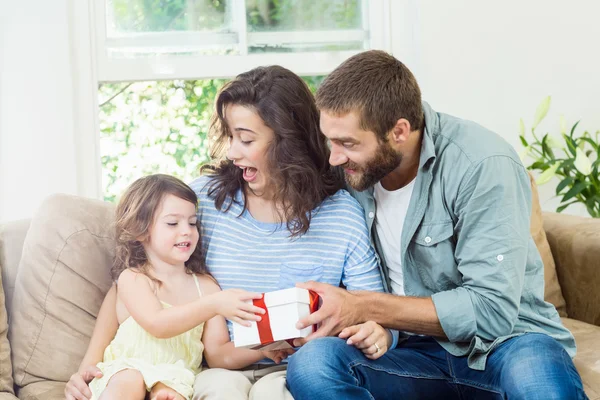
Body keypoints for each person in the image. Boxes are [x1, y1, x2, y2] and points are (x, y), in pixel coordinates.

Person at [65, 66, 396, 400]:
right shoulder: (202, 205)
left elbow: (375, 310)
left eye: (247, 139)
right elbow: (136, 278)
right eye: (231, 136)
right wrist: (89, 364)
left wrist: (376, 331)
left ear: (288, 140)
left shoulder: (341, 214)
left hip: (293, 366)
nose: (233, 152)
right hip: (220, 366)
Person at [286, 50, 587, 399]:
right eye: (330, 140)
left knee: (540, 387)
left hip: (507, 346)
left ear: (399, 131)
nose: (334, 157)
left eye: (348, 143)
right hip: (409, 353)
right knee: (313, 364)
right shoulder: (354, 169)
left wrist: (363, 305)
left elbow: (491, 309)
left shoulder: (481, 164)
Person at [82, 174, 265, 400]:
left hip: (175, 381)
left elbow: (219, 355)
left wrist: (264, 348)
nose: (186, 230)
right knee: (131, 380)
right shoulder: (134, 279)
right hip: (123, 376)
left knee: (170, 394)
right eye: (172, 223)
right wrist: (214, 305)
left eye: (192, 222)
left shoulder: (206, 287)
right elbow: (158, 323)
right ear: (141, 231)